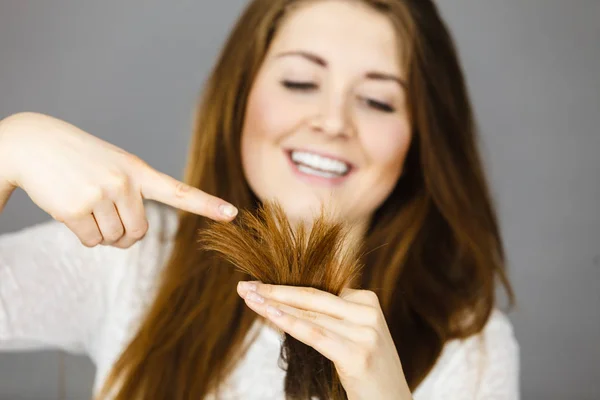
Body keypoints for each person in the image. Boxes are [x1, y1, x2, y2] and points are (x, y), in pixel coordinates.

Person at [0, 0, 519, 399]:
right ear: (241, 97)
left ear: (419, 140)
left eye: (377, 100)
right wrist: (10, 148)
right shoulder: (129, 260)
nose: (333, 122)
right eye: (300, 81)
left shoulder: (466, 345)